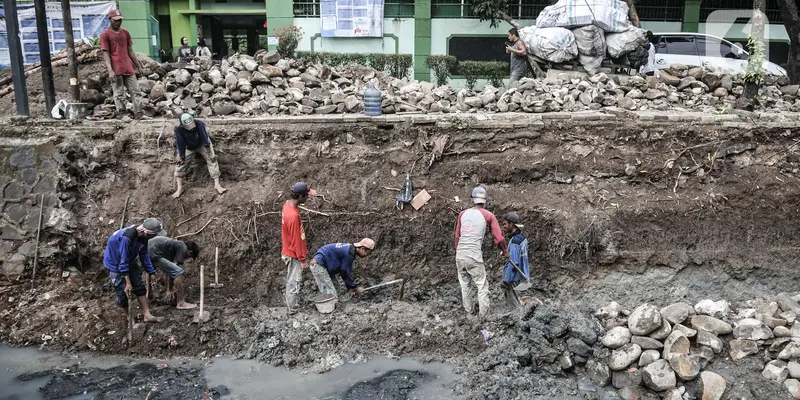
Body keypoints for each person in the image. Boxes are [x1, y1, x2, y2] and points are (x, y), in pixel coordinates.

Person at [454, 186, 508, 320]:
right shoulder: (488, 215)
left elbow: (457, 236)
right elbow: (499, 238)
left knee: (465, 284)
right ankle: (484, 318)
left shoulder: (462, 214)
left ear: (473, 199)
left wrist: (460, 252)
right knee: (482, 285)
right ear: (485, 200)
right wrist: (505, 251)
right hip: (473, 255)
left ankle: (469, 313)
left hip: (460, 254)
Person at [104, 218, 165, 322]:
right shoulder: (127, 238)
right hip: (115, 264)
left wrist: (151, 272)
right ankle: (129, 317)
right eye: (154, 234)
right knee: (123, 293)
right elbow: (123, 262)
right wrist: (128, 283)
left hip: (130, 260)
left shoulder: (143, 236)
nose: (155, 236)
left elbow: (144, 255)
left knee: (139, 287)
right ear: (146, 232)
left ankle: (147, 315)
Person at [100, 9, 143, 118]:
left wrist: (138, 65)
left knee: (136, 91)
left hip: (128, 68)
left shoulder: (125, 33)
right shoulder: (105, 35)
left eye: (119, 20)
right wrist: (110, 70)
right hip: (116, 68)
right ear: (110, 19)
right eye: (115, 20)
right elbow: (106, 54)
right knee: (119, 93)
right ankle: (122, 113)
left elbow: (130, 51)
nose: (118, 22)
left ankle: (138, 113)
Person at [282, 182, 317, 314]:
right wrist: (302, 260)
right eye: (307, 196)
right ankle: (293, 311)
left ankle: (292, 308)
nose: (307, 198)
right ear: (301, 197)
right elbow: (297, 240)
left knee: (292, 280)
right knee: (293, 282)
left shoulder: (287, 206)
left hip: (289, 249)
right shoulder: (293, 216)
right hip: (293, 253)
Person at [172, 113, 227, 198]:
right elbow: (180, 143)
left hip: (202, 144)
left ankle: (217, 184)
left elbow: (205, 139)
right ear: (182, 125)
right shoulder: (178, 129)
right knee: (180, 164)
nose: (191, 127)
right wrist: (181, 156)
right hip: (189, 147)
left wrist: (210, 153)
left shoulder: (199, 123)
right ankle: (180, 188)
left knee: (212, 160)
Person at [309, 239, 375, 304]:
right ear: (362, 249)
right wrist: (354, 287)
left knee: (337, 288)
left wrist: (350, 288)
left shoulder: (350, 249)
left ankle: (336, 306)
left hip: (324, 264)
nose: (367, 255)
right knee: (330, 294)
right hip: (318, 265)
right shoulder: (349, 254)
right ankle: (329, 310)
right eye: (368, 253)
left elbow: (343, 270)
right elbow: (345, 271)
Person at [148, 236, 200, 310]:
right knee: (179, 272)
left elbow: (167, 271)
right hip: (153, 250)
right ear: (190, 252)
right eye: (189, 257)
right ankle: (181, 303)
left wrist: (168, 287)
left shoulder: (171, 247)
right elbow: (174, 272)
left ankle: (149, 294)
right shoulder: (182, 247)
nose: (186, 258)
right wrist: (170, 289)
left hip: (147, 248)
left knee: (150, 270)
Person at [501, 212, 530, 310]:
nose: (503, 226)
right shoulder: (522, 238)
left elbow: (513, 262)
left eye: (505, 224)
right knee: (519, 301)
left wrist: (506, 279)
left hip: (514, 277)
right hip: (521, 276)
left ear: (511, 224)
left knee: (514, 304)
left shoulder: (515, 241)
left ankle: (518, 319)